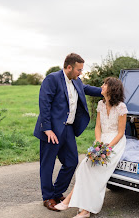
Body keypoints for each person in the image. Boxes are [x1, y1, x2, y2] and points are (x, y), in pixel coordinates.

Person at [33, 53, 102, 211]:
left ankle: (57, 193)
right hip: (51, 131)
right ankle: (48, 197)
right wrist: (47, 129)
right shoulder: (53, 79)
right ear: (69, 67)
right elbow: (44, 104)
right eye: (79, 69)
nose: (81, 73)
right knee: (47, 164)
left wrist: (106, 91)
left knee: (71, 162)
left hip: (68, 129)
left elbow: (88, 89)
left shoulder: (76, 81)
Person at [54, 77, 128, 218]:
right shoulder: (101, 104)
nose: (101, 86)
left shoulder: (121, 107)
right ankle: (74, 203)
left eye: (105, 84)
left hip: (115, 143)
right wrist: (99, 143)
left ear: (112, 88)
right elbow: (98, 127)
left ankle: (83, 209)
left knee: (95, 172)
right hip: (101, 140)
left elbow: (120, 133)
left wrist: (107, 148)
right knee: (84, 167)